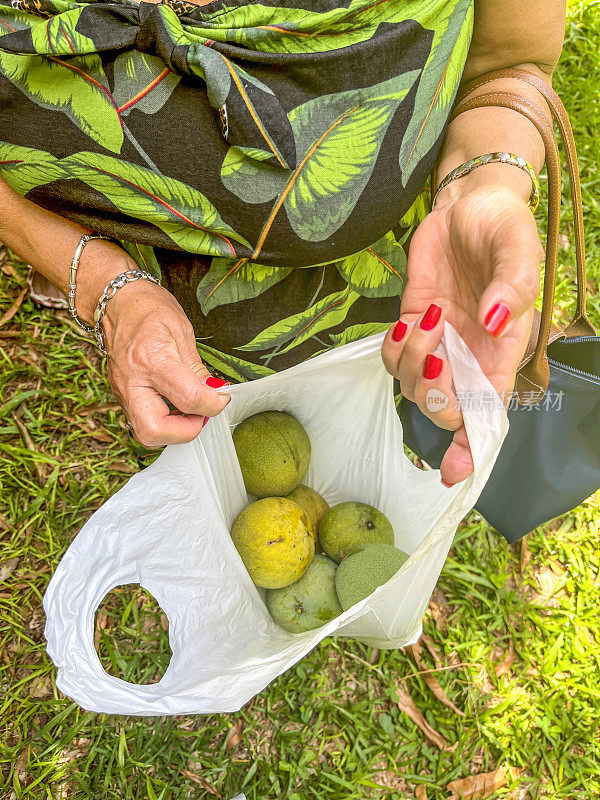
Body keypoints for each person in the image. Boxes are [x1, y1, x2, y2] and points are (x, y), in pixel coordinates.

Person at [0, 0, 564, 486]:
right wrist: (100, 281)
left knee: (355, 494)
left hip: (400, 304)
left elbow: (509, 58)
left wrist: (486, 183)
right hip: (190, 359)